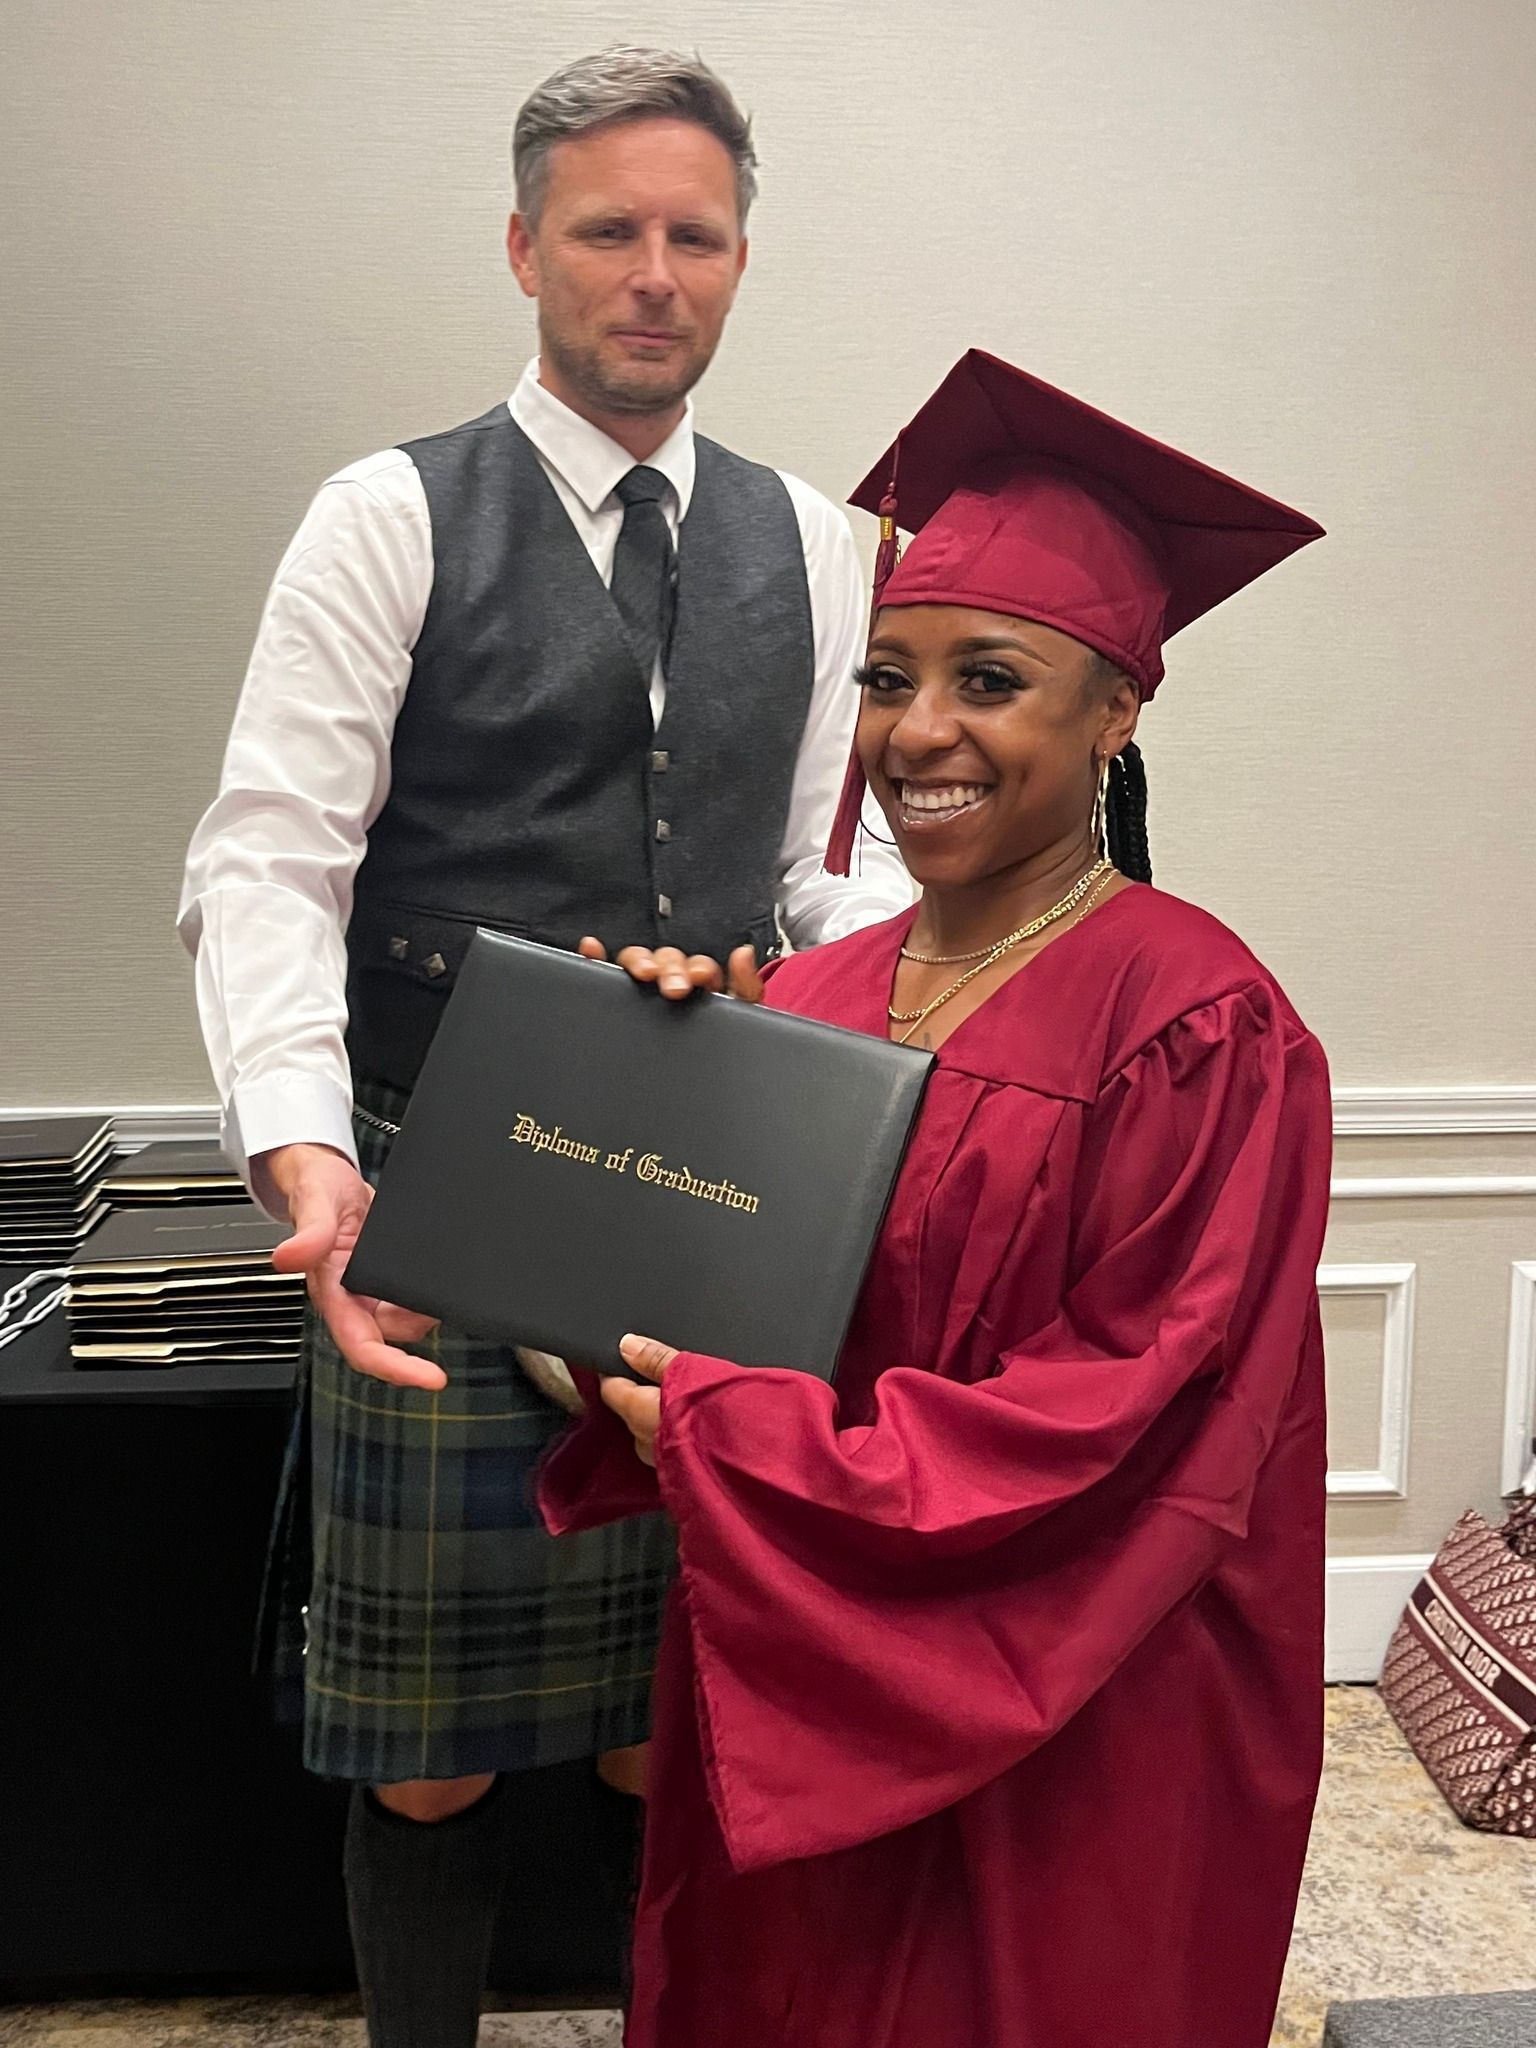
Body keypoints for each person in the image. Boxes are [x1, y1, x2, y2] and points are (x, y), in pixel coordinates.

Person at [176, 46, 909, 2048]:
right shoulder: (383, 516)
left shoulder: (829, 548)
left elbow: (820, 874)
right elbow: (268, 865)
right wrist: (306, 1157)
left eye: (695, 233)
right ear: (524, 248)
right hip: (443, 1188)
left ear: (743, 259)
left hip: (715, 1203)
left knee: (682, 1715)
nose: (652, 271)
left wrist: (827, 978)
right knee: (427, 1742)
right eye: (607, 230)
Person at [541, 349, 1332, 2048]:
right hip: (812, 1664)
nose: (921, 733)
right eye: (891, 678)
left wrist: (736, 1443)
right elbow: (694, 1327)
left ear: (1119, 709)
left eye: (992, 678)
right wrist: (627, 1112)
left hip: (1079, 1698)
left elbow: (1123, 1419)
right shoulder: (810, 1007)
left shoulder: (1200, 1026)